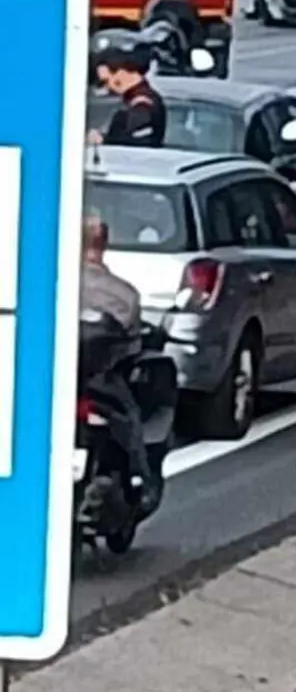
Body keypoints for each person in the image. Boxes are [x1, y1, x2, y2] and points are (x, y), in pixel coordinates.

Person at [79, 214, 150, 499]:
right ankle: (138, 479)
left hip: (50, 376)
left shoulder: (49, 283)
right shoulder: (123, 293)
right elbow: (133, 341)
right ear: (104, 243)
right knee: (130, 415)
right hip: (100, 380)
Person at [89, 46, 166, 148]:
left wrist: (103, 140)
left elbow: (139, 142)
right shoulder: (141, 99)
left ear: (121, 73)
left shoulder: (142, 103)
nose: (108, 86)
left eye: (106, 81)